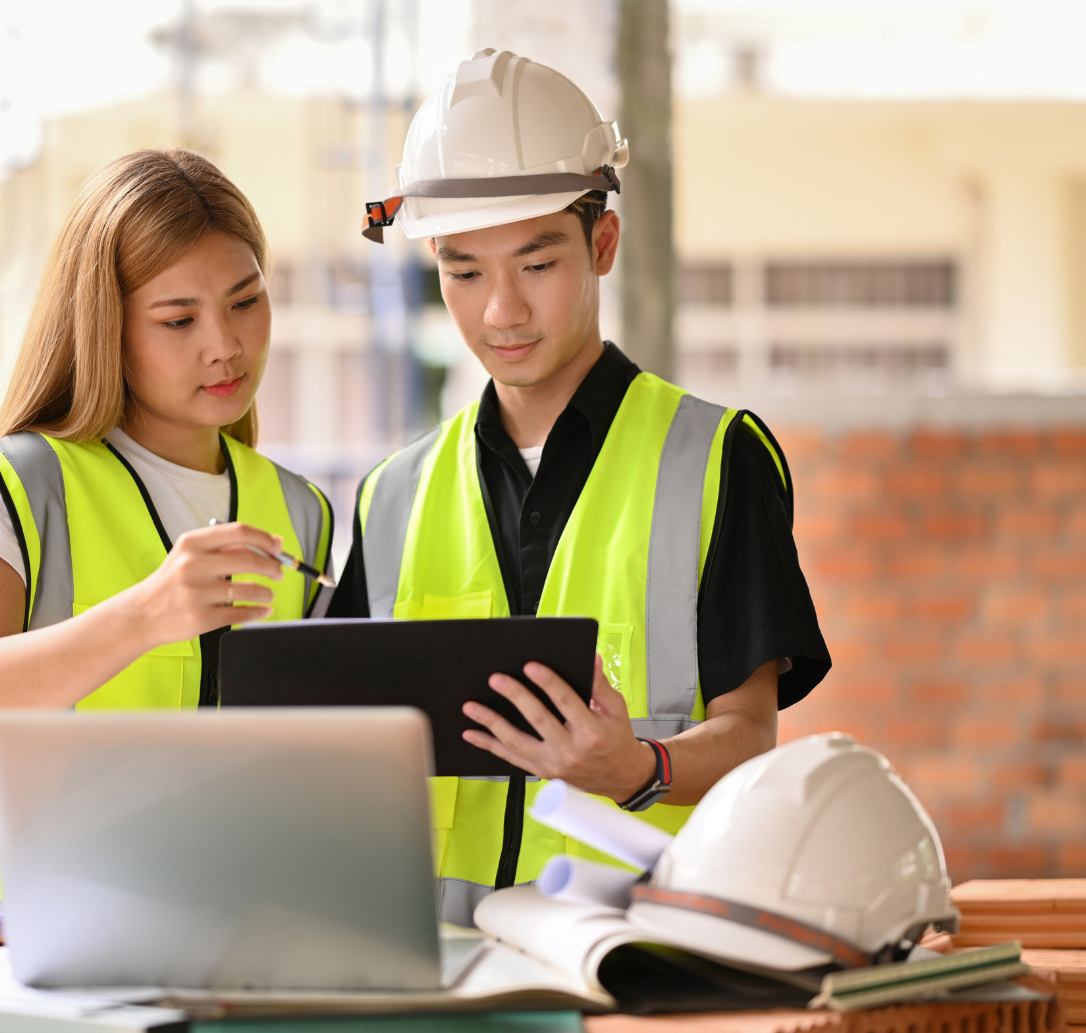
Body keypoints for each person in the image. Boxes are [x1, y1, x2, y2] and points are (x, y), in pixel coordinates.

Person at [332, 49, 831, 926]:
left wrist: (642, 771)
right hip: (441, 969)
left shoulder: (716, 457)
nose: (500, 311)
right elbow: (341, 750)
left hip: (644, 959)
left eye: (536, 262)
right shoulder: (392, 495)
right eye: (463, 270)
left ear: (602, 244)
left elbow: (751, 734)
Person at [0, 149, 334, 921]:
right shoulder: (27, 481)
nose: (225, 344)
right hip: (11, 947)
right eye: (178, 320)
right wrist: (146, 616)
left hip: (215, 934)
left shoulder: (300, 510)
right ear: (106, 326)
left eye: (246, 301)